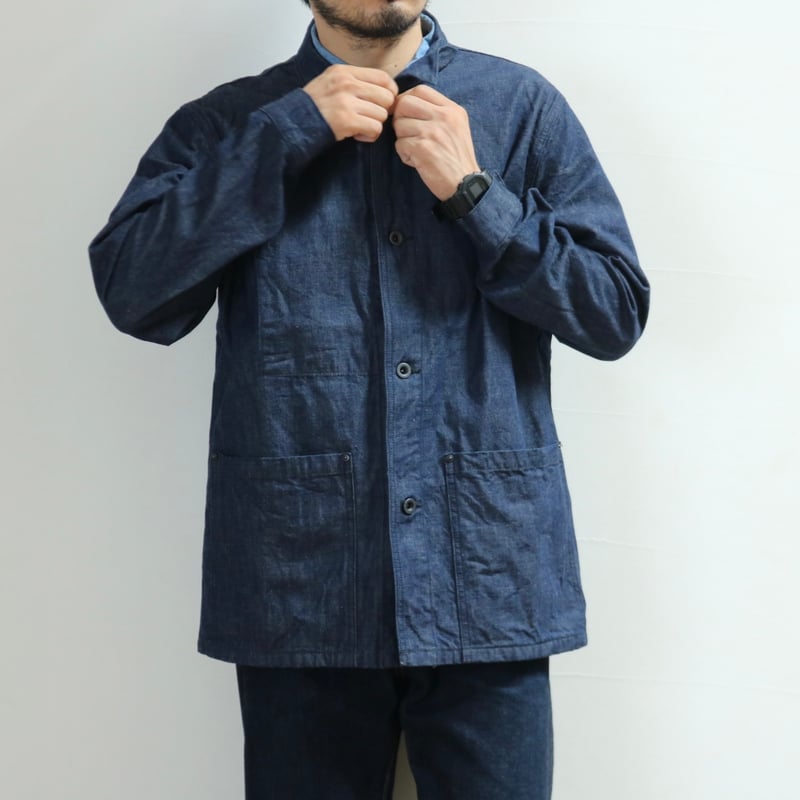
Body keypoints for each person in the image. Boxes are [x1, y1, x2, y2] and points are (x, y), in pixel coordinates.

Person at [89, 1, 649, 797]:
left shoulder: (521, 108)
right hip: (302, 593)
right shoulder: (229, 123)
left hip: (489, 585)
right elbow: (135, 294)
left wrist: (476, 194)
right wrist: (281, 138)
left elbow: (612, 312)